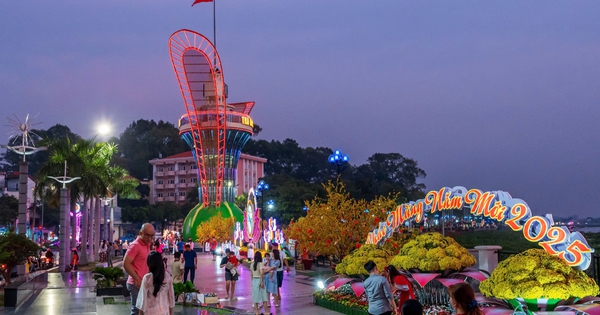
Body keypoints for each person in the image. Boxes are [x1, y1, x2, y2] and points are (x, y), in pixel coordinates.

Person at [123, 223, 154, 315]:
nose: (150, 238)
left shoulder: (146, 244)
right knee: (137, 310)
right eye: (147, 235)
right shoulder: (135, 246)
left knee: (143, 310)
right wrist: (137, 279)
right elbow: (126, 264)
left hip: (143, 283)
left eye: (151, 236)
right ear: (141, 233)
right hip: (135, 283)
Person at [136, 251, 175, 315]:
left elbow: (142, 299)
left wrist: (140, 313)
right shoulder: (167, 277)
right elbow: (171, 298)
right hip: (164, 312)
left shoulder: (147, 278)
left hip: (150, 312)